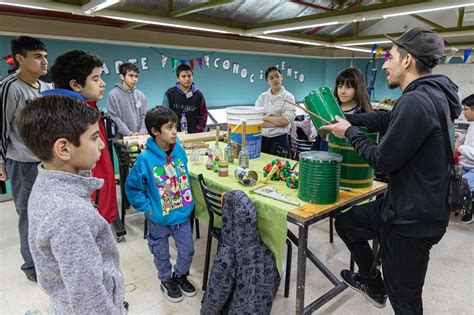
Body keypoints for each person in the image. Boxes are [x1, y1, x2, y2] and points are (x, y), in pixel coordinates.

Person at [321, 27, 462, 314]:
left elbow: (382, 161)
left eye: (390, 57)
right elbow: (388, 120)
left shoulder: (417, 101)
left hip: (412, 221)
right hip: (408, 205)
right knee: (348, 224)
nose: (385, 64)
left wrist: (349, 131)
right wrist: (354, 119)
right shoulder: (431, 95)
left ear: (407, 60)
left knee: (406, 302)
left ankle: (382, 287)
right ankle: (373, 283)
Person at [16, 94, 126, 314]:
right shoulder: (68, 215)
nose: (102, 145)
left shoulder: (47, 180)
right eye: (94, 138)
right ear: (63, 149)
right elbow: (89, 300)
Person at [125, 106, 196, 303]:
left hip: (181, 214)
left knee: (188, 249)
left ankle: (180, 275)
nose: (175, 131)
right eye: (169, 127)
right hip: (158, 218)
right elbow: (132, 188)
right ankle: (166, 279)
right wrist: (148, 208)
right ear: (155, 131)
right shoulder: (144, 159)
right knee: (161, 252)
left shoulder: (179, 149)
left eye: (175, 127)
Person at [0, 36, 53, 282]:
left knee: (47, 213)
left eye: (44, 56)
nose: (44, 61)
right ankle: (32, 267)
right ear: (20, 59)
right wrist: (1, 162)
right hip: (21, 163)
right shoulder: (10, 87)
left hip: (45, 161)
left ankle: (47, 257)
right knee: (28, 215)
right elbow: (0, 127)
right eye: (37, 56)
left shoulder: (43, 87)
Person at [43, 50, 118, 224]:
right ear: (76, 85)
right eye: (95, 78)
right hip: (89, 206)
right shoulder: (73, 116)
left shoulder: (83, 108)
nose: (102, 83)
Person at [312, 67, 373, 151]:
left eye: (348, 87)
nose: (342, 91)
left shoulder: (364, 115)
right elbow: (320, 138)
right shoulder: (329, 110)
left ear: (358, 89)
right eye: (340, 86)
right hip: (325, 158)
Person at [255, 66, 296, 156]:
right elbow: (256, 121)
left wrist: (265, 118)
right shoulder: (262, 97)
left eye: (277, 76)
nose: (275, 80)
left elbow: (286, 120)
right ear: (267, 81)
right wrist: (278, 122)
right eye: (271, 78)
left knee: (279, 167)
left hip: (280, 139)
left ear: (281, 77)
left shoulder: (288, 97)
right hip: (262, 139)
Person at [162, 64, 208, 133]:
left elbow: (203, 114)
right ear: (178, 78)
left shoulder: (198, 95)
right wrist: (170, 131)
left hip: (194, 134)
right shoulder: (169, 93)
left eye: (189, 76)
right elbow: (164, 115)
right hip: (173, 134)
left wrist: (198, 130)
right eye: (183, 76)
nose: (187, 79)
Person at [107, 62, 148, 138]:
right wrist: (129, 133)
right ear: (122, 77)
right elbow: (114, 118)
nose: (134, 79)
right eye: (131, 76)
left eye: (136, 76)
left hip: (140, 137)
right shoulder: (112, 95)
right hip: (121, 140)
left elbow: (145, 116)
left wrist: (143, 131)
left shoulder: (141, 95)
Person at [457, 94, 474, 224]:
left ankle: (470, 212)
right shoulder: (472, 124)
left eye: (466, 109)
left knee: (466, 190)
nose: (463, 112)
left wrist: (460, 147)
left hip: (473, 168)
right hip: (466, 165)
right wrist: (461, 137)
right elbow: (470, 141)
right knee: (461, 188)